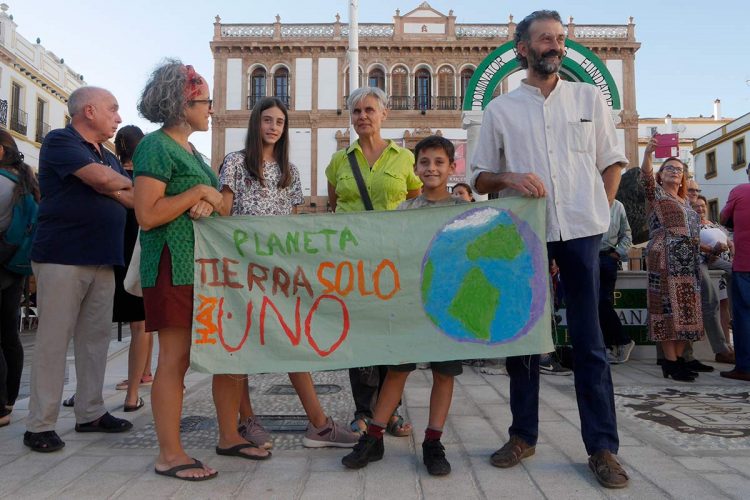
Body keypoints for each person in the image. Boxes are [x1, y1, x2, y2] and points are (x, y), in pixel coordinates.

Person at [470, 10, 629, 489]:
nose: (554, 46)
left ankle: (602, 448)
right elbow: (478, 178)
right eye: (544, 39)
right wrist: (509, 178)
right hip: (524, 234)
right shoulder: (500, 110)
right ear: (522, 48)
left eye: (559, 39)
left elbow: (612, 161)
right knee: (525, 339)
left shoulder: (589, 98)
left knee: (590, 344)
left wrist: (597, 210)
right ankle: (523, 435)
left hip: (582, 233)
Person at [134, 60, 266, 482]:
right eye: (206, 100)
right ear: (184, 102)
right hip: (173, 264)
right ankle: (169, 454)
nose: (211, 108)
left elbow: (223, 206)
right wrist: (198, 191)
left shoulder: (192, 152)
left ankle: (229, 435)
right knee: (175, 359)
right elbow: (147, 214)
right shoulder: (155, 147)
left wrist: (210, 198)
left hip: (206, 269)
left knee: (227, 351)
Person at [218, 97, 357, 449]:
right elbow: (224, 211)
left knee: (295, 341)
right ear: (256, 123)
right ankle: (247, 420)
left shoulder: (290, 172)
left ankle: (319, 424)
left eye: (279, 122)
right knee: (241, 345)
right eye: (267, 120)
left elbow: (293, 222)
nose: (273, 127)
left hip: (279, 271)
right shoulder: (234, 163)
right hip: (240, 269)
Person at [342, 135, 463, 476]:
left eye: (439, 162)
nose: (431, 168)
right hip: (410, 304)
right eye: (424, 162)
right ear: (415, 168)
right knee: (397, 370)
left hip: (447, 309)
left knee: (443, 373)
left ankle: (433, 441)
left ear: (452, 168)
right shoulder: (404, 211)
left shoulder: (460, 210)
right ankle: (375, 436)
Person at [24, 87, 134, 452]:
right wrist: (111, 183)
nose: (118, 117)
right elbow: (104, 182)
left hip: (103, 257)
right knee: (54, 342)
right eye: (113, 110)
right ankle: (39, 425)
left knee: (95, 341)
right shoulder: (60, 140)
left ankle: (90, 412)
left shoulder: (109, 155)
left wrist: (112, 183)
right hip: (62, 256)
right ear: (89, 111)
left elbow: (127, 196)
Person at [326, 86, 422, 437]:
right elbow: (334, 207)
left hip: (394, 261)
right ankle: (363, 410)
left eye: (369, 110)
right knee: (360, 335)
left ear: (384, 114)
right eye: (356, 112)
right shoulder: (339, 161)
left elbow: (415, 200)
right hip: (354, 262)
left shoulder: (404, 158)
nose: (362, 116)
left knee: (391, 334)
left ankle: (390, 411)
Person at [641, 139, 704, 382]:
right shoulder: (656, 194)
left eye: (679, 169)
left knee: (686, 310)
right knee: (667, 309)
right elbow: (645, 177)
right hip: (665, 255)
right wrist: (648, 153)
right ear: (661, 174)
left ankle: (677, 361)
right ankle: (669, 362)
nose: (675, 172)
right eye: (669, 168)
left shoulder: (686, 202)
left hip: (688, 259)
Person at [111, 125, 155, 412]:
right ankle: (141, 378)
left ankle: (134, 386)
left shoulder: (115, 177)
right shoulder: (146, 178)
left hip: (118, 253)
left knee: (137, 324)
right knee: (144, 324)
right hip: (141, 252)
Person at [0, 130, 39, 428]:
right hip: (16, 265)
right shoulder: (24, 182)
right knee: (9, 335)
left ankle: (0, 406)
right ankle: (10, 400)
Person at [719, 163, 750, 381]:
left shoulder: (739, 191)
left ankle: (745, 368)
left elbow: (723, 218)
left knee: (744, 317)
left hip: (745, 265)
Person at [693, 194, 734, 357]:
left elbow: (730, 242)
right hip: (707, 261)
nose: (700, 208)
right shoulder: (692, 224)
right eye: (696, 206)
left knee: (724, 306)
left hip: (722, 261)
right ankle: (722, 348)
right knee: (712, 303)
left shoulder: (714, 224)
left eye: (703, 205)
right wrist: (711, 251)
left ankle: (728, 343)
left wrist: (732, 251)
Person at [599, 199, 634, 364]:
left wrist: (618, 253)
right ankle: (607, 345)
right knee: (593, 303)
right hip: (587, 257)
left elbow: (626, 234)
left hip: (607, 257)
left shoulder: (618, 206)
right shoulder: (583, 198)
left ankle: (622, 340)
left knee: (602, 301)